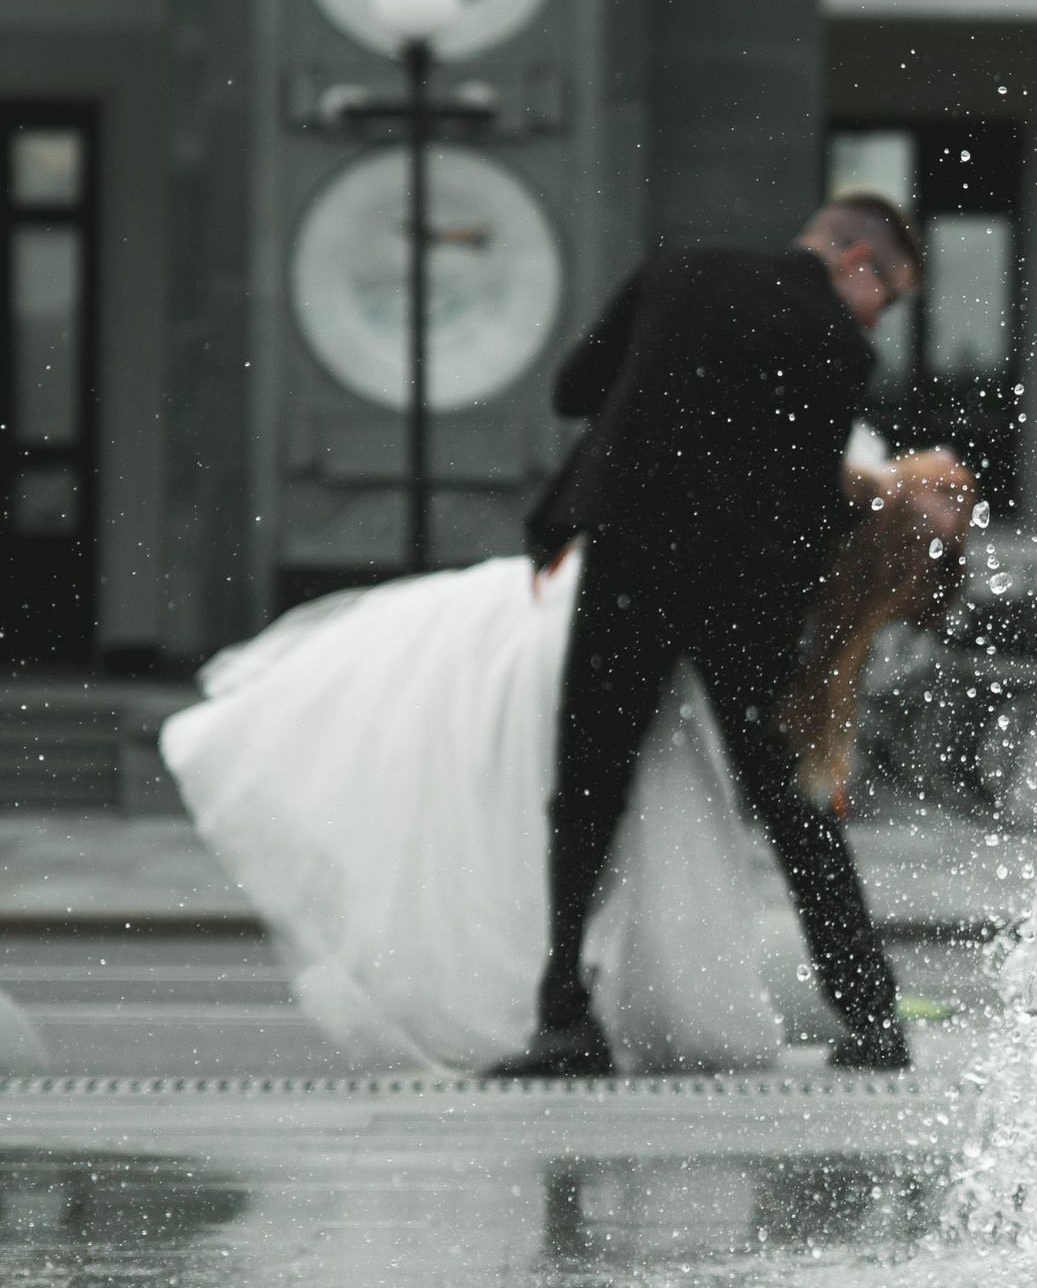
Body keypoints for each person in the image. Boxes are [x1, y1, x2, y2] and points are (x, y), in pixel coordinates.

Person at [161, 441, 973, 1077]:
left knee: (563, 807)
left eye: (953, 496)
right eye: (952, 495)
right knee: (592, 815)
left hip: (593, 609)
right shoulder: (832, 509)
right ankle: (589, 999)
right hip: (610, 626)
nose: (954, 486)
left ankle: (575, 1000)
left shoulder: (836, 495)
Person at [495, 191, 930, 1079]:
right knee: (790, 799)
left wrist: (655, 388)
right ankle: (871, 1013)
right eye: (889, 293)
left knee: (588, 789)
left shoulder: (678, 268)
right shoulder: (838, 342)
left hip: (631, 559)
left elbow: (574, 388)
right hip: (744, 592)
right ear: (855, 263)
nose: (881, 312)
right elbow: (808, 501)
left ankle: (564, 1020)